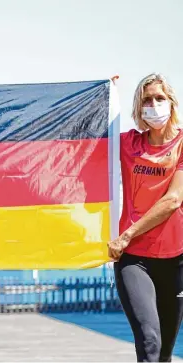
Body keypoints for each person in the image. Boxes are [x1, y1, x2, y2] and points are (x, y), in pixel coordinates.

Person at [108, 73, 183, 362]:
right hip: (134, 259)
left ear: (171, 103)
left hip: (175, 260)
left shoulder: (181, 145)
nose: (154, 104)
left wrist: (128, 231)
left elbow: (174, 200)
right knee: (149, 342)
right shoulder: (127, 144)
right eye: (146, 100)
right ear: (139, 109)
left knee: (164, 353)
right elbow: (85, 139)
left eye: (159, 98)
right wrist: (103, 95)